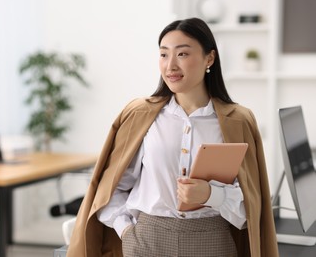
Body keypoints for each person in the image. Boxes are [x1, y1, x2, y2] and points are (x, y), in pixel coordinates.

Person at [67, 17, 278, 257]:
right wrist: (126, 231)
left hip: (213, 241)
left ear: (209, 58)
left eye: (183, 54)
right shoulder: (139, 115)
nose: (170, 66)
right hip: (147, 241)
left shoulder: (237, 121)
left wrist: (211, 195)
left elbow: (249, 206)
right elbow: (110, 188)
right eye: (164, 54)